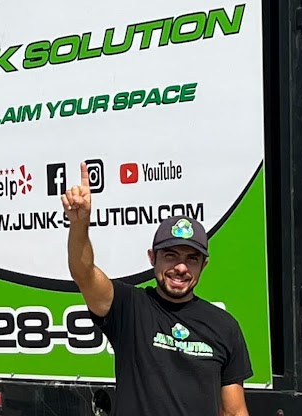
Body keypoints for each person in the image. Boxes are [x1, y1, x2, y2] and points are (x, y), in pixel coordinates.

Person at [61, 162, 253, 416]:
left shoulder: (225, 326)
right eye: (171, 255)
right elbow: (83, 273)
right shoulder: (128, 307)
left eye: (191, 259)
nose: (181, 267)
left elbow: (234, 412)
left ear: (203, 265)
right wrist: (79, 224)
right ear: (152, 258)